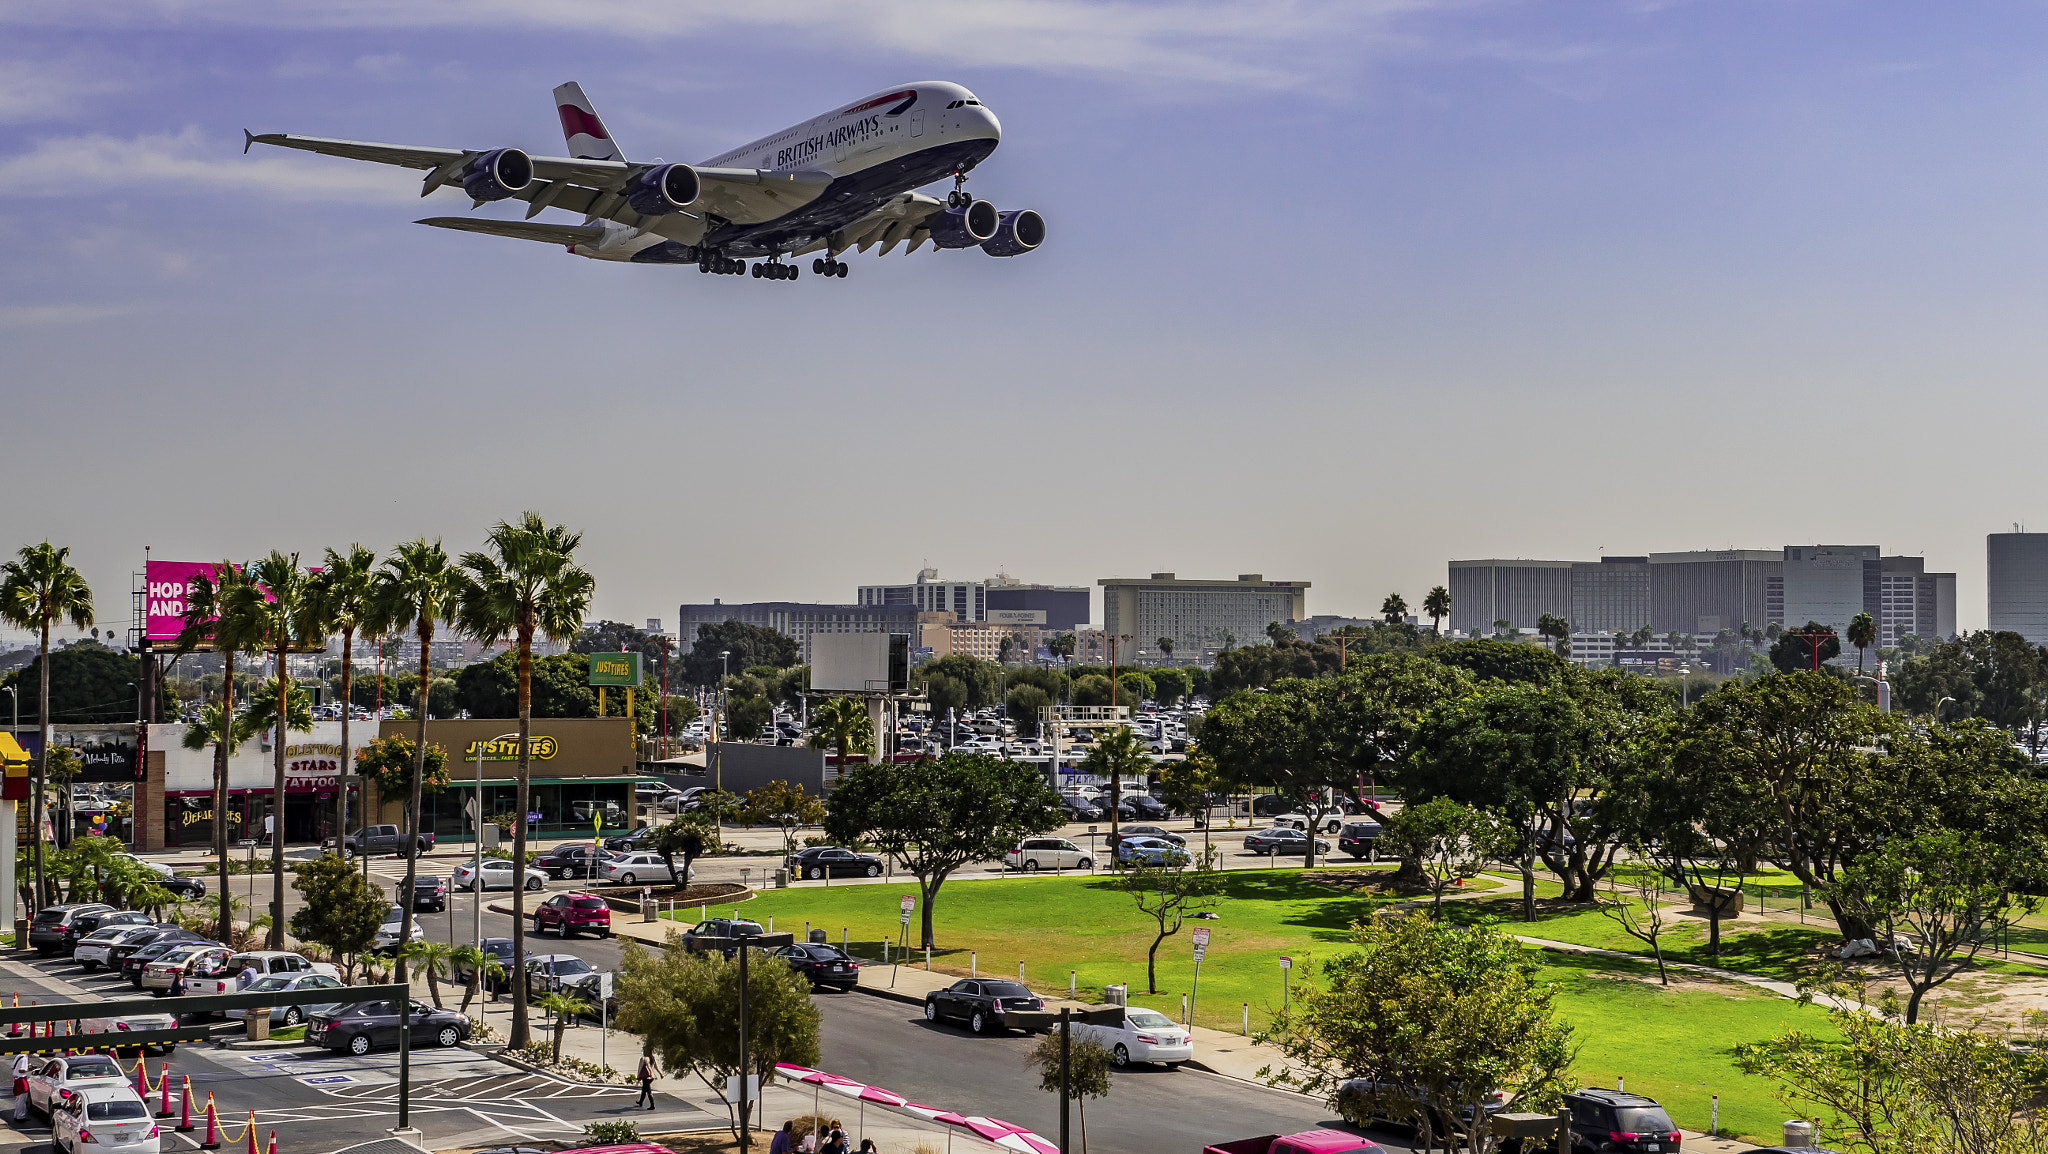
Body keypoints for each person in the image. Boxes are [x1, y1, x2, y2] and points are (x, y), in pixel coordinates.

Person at [11, 1053, 30, 1122]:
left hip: (16, 1079)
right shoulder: (25, 1058)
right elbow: (21, 1070)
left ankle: (17, 1115)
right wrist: (28, 1069)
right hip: (21, 1079)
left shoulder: (19, 1056)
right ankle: (20, 1116)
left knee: (18, 1099)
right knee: (22, 1099)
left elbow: (12, 1067)